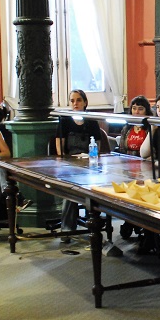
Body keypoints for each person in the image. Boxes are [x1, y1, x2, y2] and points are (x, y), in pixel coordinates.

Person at [55, 90, 101, 239]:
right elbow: (59, 147)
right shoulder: (65, 120)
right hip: (70, 164)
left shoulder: (92, 121)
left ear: (85, 102)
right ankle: (67, 230)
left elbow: (98, 147)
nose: (75, 103)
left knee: (94, 188)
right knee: (71, 190)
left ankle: (93, 224)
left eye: (79, 100)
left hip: (89, 163)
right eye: (72, 100)